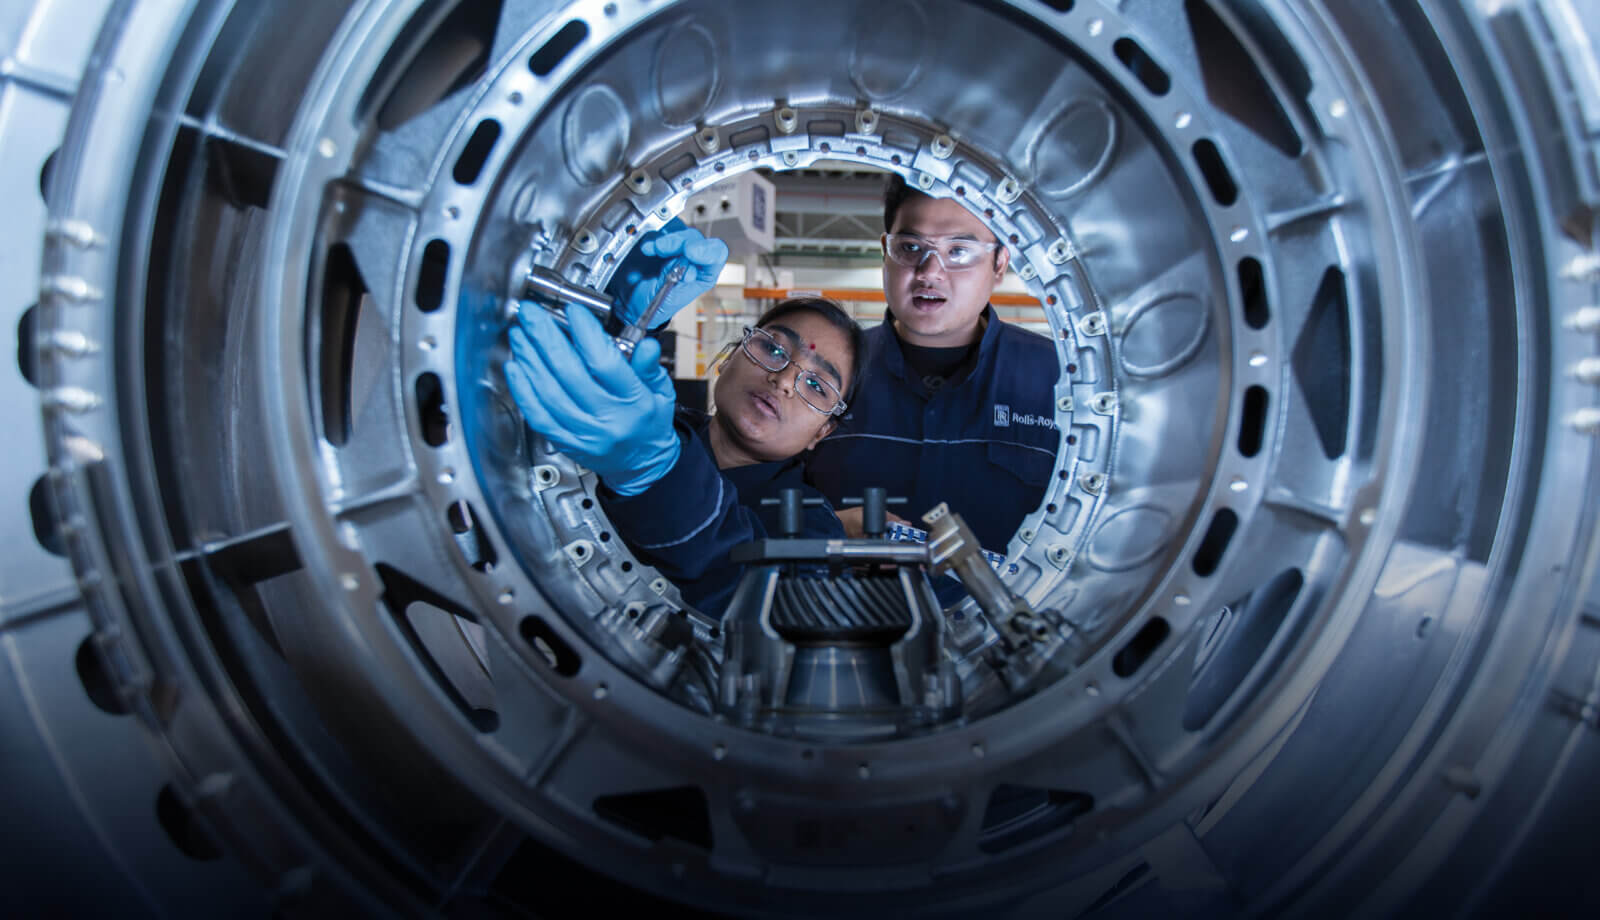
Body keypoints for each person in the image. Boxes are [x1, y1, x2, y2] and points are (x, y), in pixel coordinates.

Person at [504, 293, 863, 618]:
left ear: (822, 431)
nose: (784, 379)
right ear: (728, 358)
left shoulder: (812, 526)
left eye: (817, 385)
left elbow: (779, 610)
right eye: (773, 349)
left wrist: (659, 478)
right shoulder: (639, 425)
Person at [803, 174, 1060, 559]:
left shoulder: (1059, 381)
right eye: (910, 247)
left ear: (999, 263)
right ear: (885, 253)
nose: (929, 272)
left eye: (958, 251)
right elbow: (758, 494)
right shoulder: (830, 370)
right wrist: (826, 526)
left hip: (1005, 616)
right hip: (840, 611)